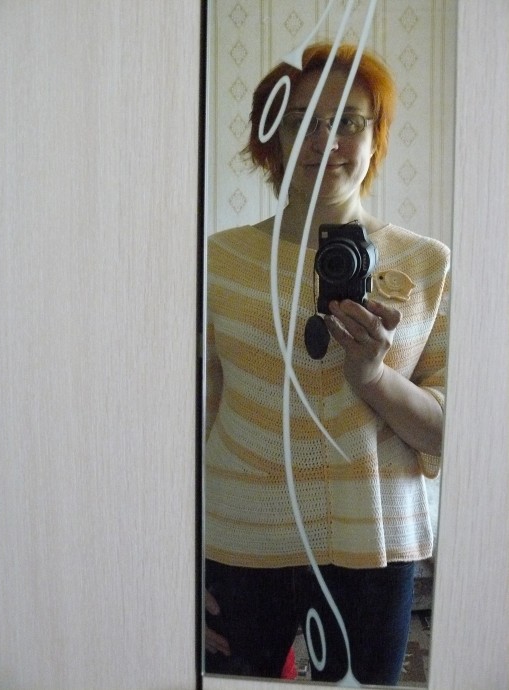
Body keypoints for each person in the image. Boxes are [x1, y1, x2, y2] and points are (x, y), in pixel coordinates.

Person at [204, 42, 449, 685]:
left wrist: (372, 377)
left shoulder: (429, 264)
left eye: (348, 121)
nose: (326, 141)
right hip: (238, 536)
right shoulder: (217, 262)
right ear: (274, 139)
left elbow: (447, 432)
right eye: (302, 122)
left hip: (374, 545)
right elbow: (188, 419)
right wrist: (168, 561)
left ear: (375, 135)